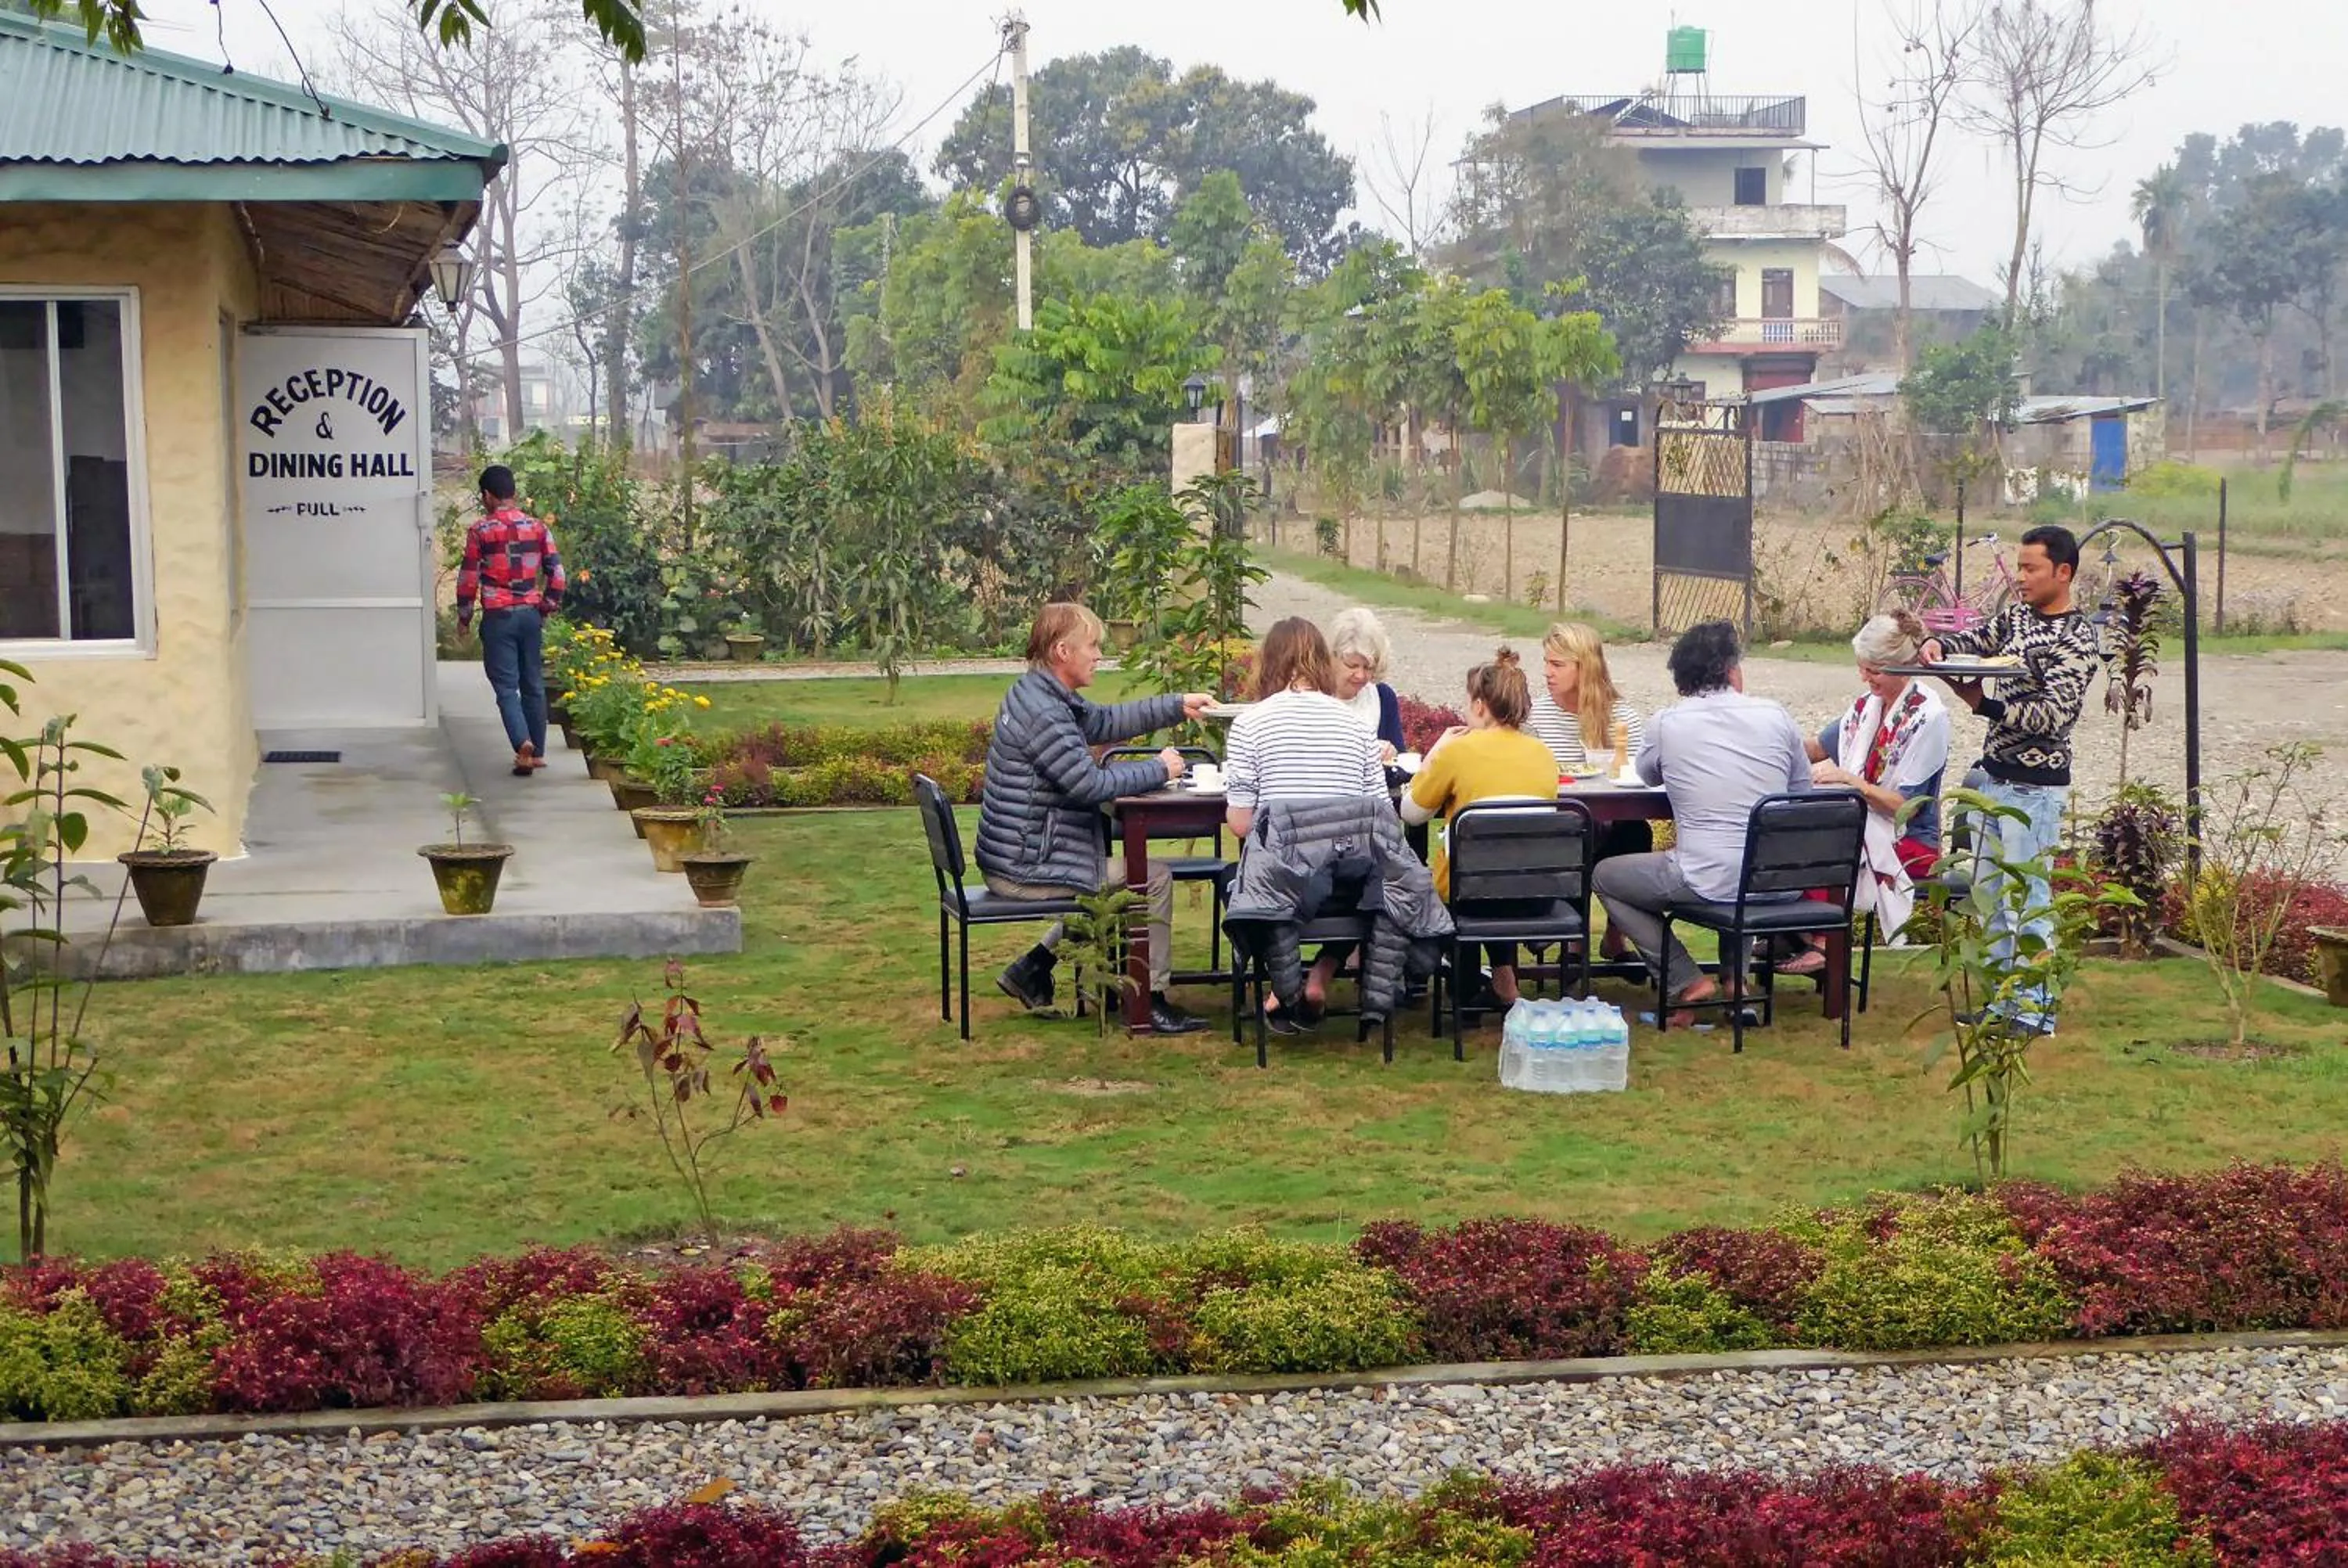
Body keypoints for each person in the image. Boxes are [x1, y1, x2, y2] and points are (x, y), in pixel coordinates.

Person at [977, 602, 1216, 1036]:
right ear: (1062, 651)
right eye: (1093, 645)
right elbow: (1088, 785)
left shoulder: (1040, 693)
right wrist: (1160, 769)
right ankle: (1149, 1001)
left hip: (1025, 855)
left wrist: (1177, 705)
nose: (1100, 655)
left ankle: (1034, 967)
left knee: (1110, 879)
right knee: (1151, 877)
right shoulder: (1044, 714)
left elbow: (1104, 721)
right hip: (1026, 867)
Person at [1920, 523, 2100, 1037]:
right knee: (1993, 897)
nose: (2020, 577)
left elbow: (2053, 715)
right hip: (1993, 779)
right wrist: (1938, 644)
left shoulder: (2077, 638)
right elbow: (1979, 638)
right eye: (2018, 567)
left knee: (2028, 899)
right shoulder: (2018, 617)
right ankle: (2005, 1003)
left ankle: (2034, 1011)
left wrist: (1984, 705)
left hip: (2034, 789)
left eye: (2030, 568)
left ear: (2063, 573)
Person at [1593, 620, 1810, 1026]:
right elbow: (1800, 791)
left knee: (1606, 876)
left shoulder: (1668, 722)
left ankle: (1685, 980)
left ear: (1680, 678)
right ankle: (1735, 982)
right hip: (1775, 878)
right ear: (1732, 670)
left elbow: (1648, 775)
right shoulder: (1777, 716)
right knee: (1742, 851)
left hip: (1709, 876)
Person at [1223, 617, 1388, 1030]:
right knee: (1362, 884)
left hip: (1283, 886)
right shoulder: (1358, 727)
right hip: (1347, 882)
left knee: (1235, 881)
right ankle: (1319, 975)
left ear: (1269, 662)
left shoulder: (1250, 724)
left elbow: (1241, 824)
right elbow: (1382, 819)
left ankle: (1283, 983)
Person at [1778, 610, 1951, 976]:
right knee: (1790, 836)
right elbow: (1817, 748)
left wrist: (1850, 782)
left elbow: (1904, 808)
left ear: (1901, 666)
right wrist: (1773, 744)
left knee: (1826, 846)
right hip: (1866, 827)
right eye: (1862, 668)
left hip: (1910, 842)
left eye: (1873, 671)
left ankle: (1822, 942)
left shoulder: (1929, 717)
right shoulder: (1866, 706)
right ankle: (1796, 931)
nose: (1864, 678)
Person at [1400, 648, 1561, 1009]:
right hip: (1535, 892)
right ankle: (1503, 979)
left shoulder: (1459, 752)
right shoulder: (1543, 754)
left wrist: (1436, 751)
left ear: (1479, 705)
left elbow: (1411, 813)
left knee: (1457, 877)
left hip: (1469, 893)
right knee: (1496, 868)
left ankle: (1460, 986)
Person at [455, 464, 567, 777]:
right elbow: (558, 575)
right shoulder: (538, 528)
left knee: (506, 687)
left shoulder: (480, 531)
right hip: (530, 615)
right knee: (533, 683)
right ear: (513, 492)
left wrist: (464, 617)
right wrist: (546, 607)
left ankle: (522, 744)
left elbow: (468, 579)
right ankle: (538, 752)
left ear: (487, 496)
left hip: (498, 616)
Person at [1328, 607, 1408, 760]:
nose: (1360, 675)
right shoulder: (1312, 695)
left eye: (1368, 667)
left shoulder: (1383, 697)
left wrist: (1393, 755)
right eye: (1352, 666)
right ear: (1332, 659)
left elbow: (1400, 762)